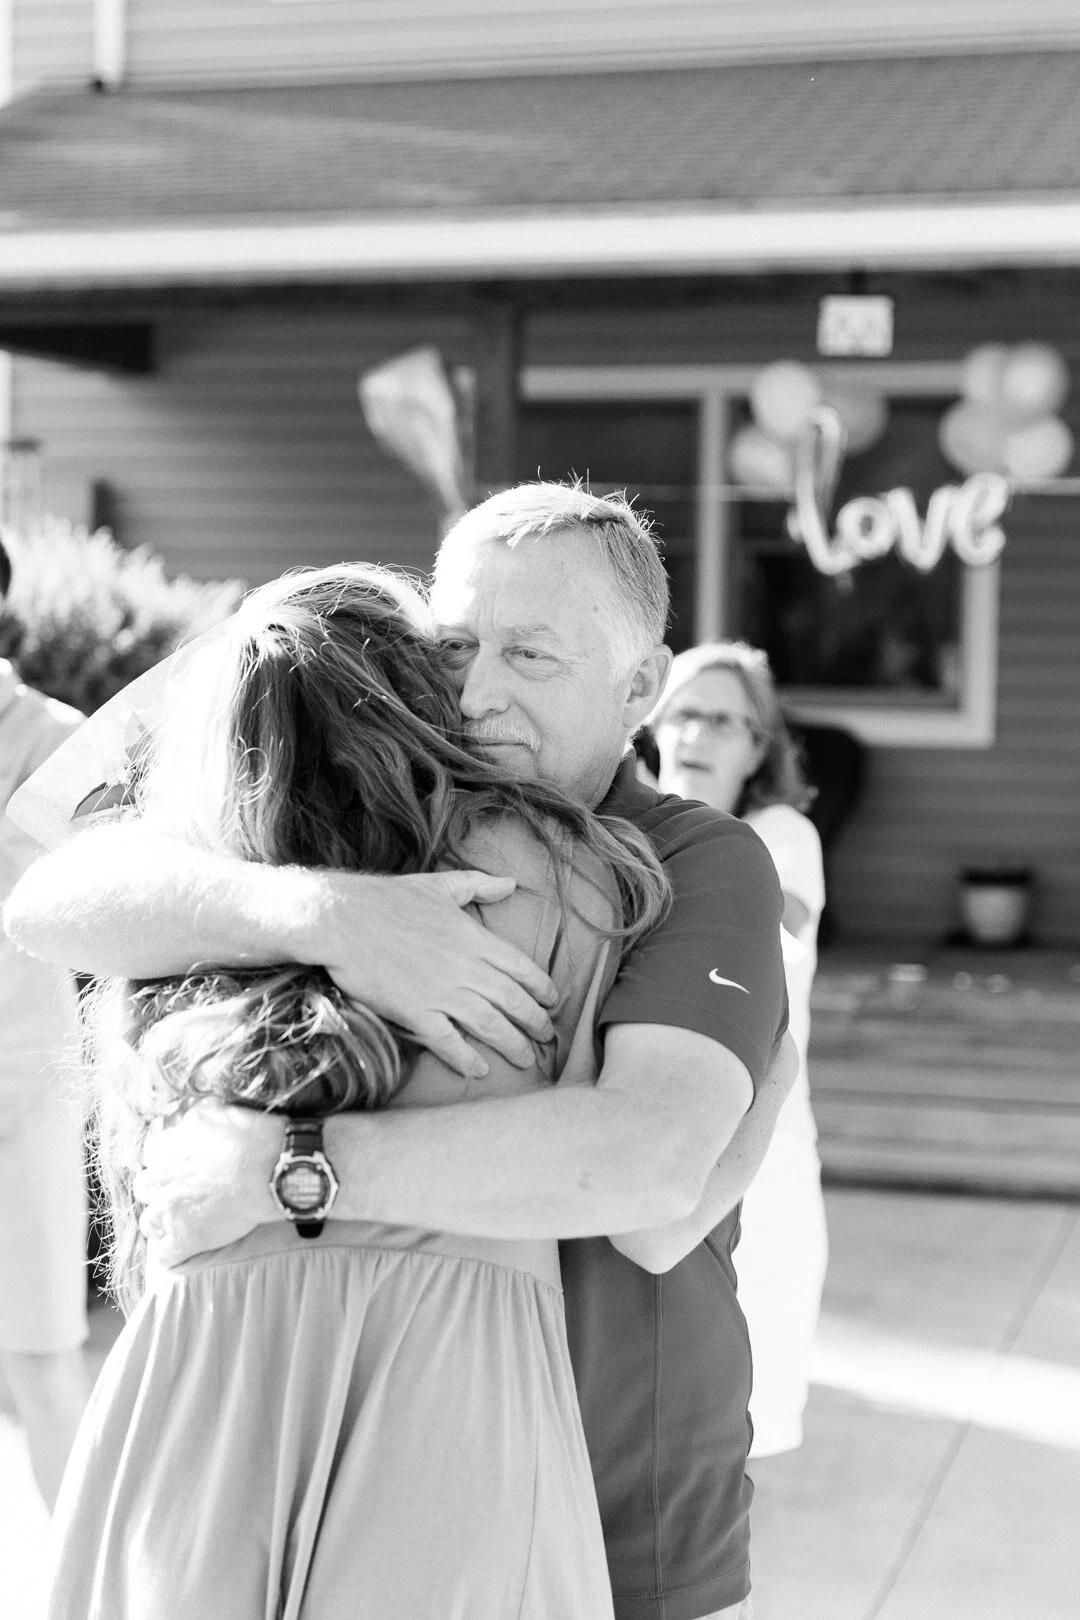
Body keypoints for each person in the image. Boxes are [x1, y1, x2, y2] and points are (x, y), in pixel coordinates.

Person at [7, 485, 793, 1620]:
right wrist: (326, 915)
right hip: (298, 1456)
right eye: (456, 645)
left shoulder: (692, 858)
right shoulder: (359, 794)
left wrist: (288, 1173)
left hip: (617, 1501)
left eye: (531, 655)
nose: (476, 692)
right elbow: (50, 891)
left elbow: (646, 1168)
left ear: (640, 688)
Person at [651, 641, 828, 1460]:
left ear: (759, 748)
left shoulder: (780, 834)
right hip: (642, 1152)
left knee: (739, 1427)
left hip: (760, 1161)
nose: (698, 733)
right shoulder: (617, 827)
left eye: (725, 721)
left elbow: (776, 920)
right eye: (685, 712)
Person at [0, 534, 92, 1509]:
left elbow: (63, 903)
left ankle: (82, 1579)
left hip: (19, 1092)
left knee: (41, 1362)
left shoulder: (55, 738)